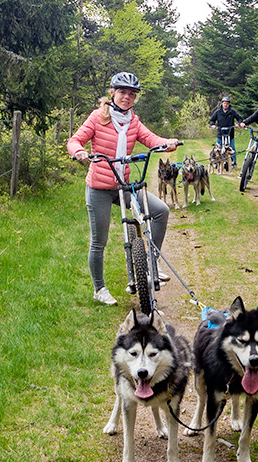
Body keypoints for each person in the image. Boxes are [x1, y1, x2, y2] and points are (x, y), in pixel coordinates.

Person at [68, 72, 179, 306]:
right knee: (99, 241)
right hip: (99, 187)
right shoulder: (98, 117)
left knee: (160, 211)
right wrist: (78, 151)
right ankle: (99, 289)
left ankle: (151, 263)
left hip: (124, 186)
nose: (126, 97)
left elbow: (150, 139)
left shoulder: (133, 121)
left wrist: (166, 144)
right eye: (122, 92)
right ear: (112, 93)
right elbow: (75, 140)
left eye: (131, 94)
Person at [209, 96, 243, 167]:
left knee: (232, 148)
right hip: (220, 133)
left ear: (229, 104)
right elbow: (212, 120)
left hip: (230, 133)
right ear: (222, 103)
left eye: (227, 103)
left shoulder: (232, 112)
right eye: (224, 103)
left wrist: (238, 124)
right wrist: (213, 125)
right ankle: (216, 163)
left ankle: (234, 163)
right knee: (217, 149)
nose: (225, 105)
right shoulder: (218, 112)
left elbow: (239, 118)